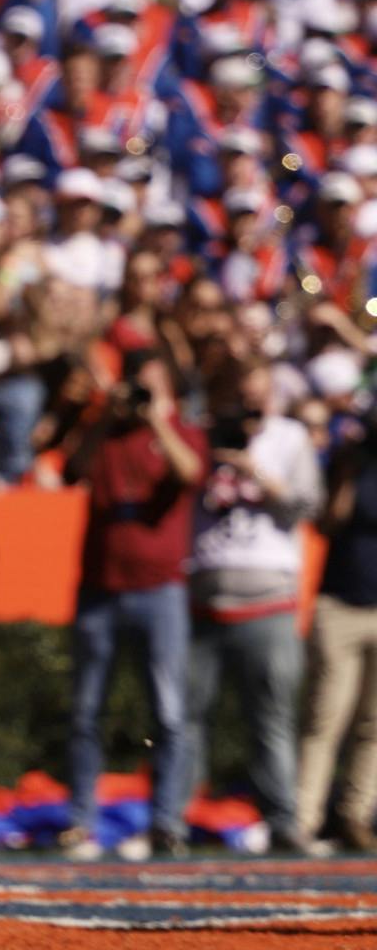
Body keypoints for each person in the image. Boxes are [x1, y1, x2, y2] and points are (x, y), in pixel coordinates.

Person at [54, 347, 205, 859]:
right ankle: (81, 822)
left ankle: (166, 822)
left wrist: (156, 419)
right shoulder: (106, 436)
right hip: (101, 587)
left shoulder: (179, 432)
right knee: (86, 711)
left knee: (169, 712)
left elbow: (190, 472)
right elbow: (71, 470)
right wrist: (105, 415)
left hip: (160, 589)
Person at [184, 358, 323, 854]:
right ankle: (174, 819)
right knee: (186, 717)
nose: (251, 405)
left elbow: (307, 505)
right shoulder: (200, 435)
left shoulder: (289, 438)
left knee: (271, 717)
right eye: (242, 396)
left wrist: (256, 471)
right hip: (204, 595)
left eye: (260, 396)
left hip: (269, 600)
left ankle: (282, 819)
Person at [298, 408, 377, 850]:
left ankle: (355, 815)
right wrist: (345, 472)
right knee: (325, 716)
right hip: (341, 604)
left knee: (375, 724)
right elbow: (327, 524)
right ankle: (304, 817)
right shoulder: (351, 463)